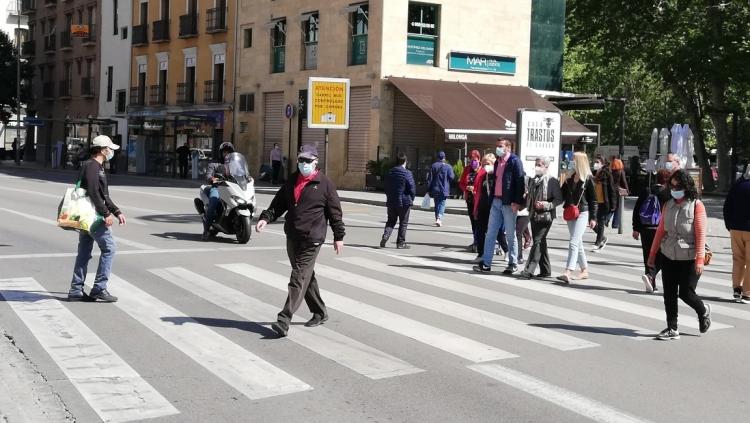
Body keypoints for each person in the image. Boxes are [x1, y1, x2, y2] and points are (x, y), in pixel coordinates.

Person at [255, 144, 345, 337]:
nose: (303, 164)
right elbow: (278, 204)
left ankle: (284, 319)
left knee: (298, 277)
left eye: (307, 161)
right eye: (300, 160)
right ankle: (320, 312)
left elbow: (335, 213)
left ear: (316, 162)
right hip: (293, 236)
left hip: (312, 239)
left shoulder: (325, 184)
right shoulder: (292, 181)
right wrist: (265, 218)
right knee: (306, 276)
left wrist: (339, 236)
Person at [647, 170, 711, 340]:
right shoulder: (668, 204)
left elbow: (700, 234)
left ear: (686, 186)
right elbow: (661, 230)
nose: (674, 189)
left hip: (689, 257)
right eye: (672, 186)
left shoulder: (696, 205)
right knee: (668, 293)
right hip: (668, 254)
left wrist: (699, 260)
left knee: (686, 293)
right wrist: (652, 254)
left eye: (678, 186)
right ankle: (672, 328)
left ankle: (703, 310)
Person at [67, 135, 126, 303]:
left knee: (84, 252)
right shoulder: (93, 166)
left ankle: (76, 289)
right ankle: (99, 288)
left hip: (87, 216)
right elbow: (93, 191)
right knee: (109, 248)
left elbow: (103, 194)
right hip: (93, 216)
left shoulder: (93, 166)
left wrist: (116, 211)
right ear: (102, 150)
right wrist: (106, 213)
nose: (111, 152)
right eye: (109, 149)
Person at [473, 138, 525, 274]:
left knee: (510, 234)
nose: (498, 148)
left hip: (509, 203)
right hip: (496, 201)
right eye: (497, 146)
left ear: (508, 148)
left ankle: (512, 263)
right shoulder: (497, 162)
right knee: (490, 233)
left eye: (500, 146)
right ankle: (486, 263)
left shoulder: (514, 161)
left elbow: (520, 182)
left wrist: (517, 202)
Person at [557, 152, 597, 283]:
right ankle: (584, 270)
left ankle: (568, 271)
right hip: (570, 212)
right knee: (577, 242)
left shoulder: (588, 179)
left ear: (580, 162)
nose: (571, 161)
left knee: (573, 242)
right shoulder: (569, 178)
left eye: (573, 159)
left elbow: (593, 200)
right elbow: (560, 195)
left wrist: (593, 217)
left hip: (582, 213)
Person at [520, 157, 563, 279]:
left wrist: (546, 205)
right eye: (536, 164)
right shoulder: (533, 180)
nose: (537, 167)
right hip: (534, 214)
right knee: (541, 241)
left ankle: (529, 270)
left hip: (546, 216)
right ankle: (545, 270)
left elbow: (559, 199)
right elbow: (529, 197)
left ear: (546, 167)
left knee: (537, 241)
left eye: (540, 165)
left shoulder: (552, 181)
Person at [632, 170, 671, 293]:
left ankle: (651, 283)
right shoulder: (667, 193)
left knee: (647, 255)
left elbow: (637, 209)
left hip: (645, 228)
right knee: (661, 256)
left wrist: (636, 228)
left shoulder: (646, 190)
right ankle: (650, 276)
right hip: (659, 229)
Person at [471, 154, 508, 263]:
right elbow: (478, 193)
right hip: (483, 207)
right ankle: (481, 254)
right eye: (483, 164)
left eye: (488, 164)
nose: (485, 166)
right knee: (480, 232)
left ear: (493, 164)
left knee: (498, 232)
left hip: (495, 208)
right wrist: (476, 209)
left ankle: (507, 250)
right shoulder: (482, 176)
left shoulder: (498, 176)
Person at [724, 164, 750, 303]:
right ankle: (747, 293)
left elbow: (727, 206)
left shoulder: (737, 185)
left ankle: (736, 288)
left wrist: (729, 225)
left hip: (735, 228)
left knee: (738, 259)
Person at [380, 153, 415, 249]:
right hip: (404, 202)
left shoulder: (390, 172)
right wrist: (412, 198)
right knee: (403, 222)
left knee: (391, 221)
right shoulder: (407, 173)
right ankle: (400, 243)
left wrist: (389, 196)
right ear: (405, 161)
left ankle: (385, 236)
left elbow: (386, 186)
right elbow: (412, 188)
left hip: (391, 201)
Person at [202, 142, 235, 240]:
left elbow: (242, 174)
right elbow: (208, 175)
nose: (226, 154)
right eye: (225, 152)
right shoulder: (214, 164)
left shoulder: (234, 166)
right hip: (218, 187)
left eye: (229, 152)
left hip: (232, 188)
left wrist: (248, 177)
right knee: (213, 201)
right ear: (221, 153)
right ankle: (206, 230)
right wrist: (212, 179)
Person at [592, 155, 617, 251]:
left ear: (602, 163)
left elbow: (612, 189)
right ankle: (603, 237)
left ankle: (598, 242)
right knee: (592, 222)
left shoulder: (607, 174)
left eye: (598, 162)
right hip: (594, 201)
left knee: (601, 222)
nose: (596, 164)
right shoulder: (594, 173)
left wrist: (613, 204)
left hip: (603, 201)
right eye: (595, 162)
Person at [459, 150, 482, 251]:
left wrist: (475, 189)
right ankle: (475, 241)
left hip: (479, 200)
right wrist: (466, 188)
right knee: (473, 221)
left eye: (475, 159)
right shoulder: (467, 169)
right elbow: (461, 182)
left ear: (479, 159)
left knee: (479, 222)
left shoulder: (482, 169)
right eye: (471, 159)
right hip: (470, 199)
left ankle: (479, 242)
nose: (473, 161)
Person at [426, 151, 454, 227]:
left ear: (438, 157)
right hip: (444, 188)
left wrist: (428, 189)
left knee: (437, 204)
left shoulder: (433, 166)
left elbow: (430, 179)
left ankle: (437, 219)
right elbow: (452, 177)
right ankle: (439, 218)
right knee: (442, 203)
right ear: (444, 158)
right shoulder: (448, 167)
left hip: (435, 188)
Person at [609, 156, 629, 229]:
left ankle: (606, 220)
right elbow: (624, 182)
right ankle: (615, 224)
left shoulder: (610, 171)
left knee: (612, 207)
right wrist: (627, 190)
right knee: (618, 208)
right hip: (618, 192)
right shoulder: (621, 172)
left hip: (611, 190)